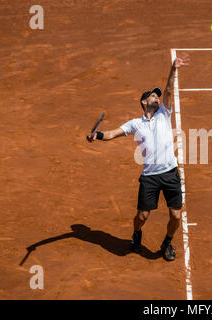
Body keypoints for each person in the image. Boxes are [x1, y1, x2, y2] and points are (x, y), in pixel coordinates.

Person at [86, 53, 190, 261]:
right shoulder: (135, 124)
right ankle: (137, 233)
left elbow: (169, 90)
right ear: (144, 102)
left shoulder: (164, 113)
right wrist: (96, 135)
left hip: (170, 172)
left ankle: (167, 242)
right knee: (142, 216)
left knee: (176, 215)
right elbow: (112, 134)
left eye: (157, 96)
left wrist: (174, 69)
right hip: (150, 177)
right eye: (153, 96)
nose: (157, 98)